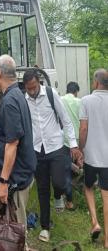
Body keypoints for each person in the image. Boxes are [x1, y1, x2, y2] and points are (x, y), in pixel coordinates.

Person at [23, 69, 81, 243]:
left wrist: (73, 144)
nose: (31, 92)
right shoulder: (25, 100)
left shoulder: (51, 94)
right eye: (28, 89)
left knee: (59, 182)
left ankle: (58, 196)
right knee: (42, 189)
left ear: (39, 82)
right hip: (37, 149)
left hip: (55, 146)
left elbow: (65, 120)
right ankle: (45, 227)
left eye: (33, 88)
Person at [0, 54, 36, 227]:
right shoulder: (17, 94)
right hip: (20, 171)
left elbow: (12, 144)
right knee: (15, 228)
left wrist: (3, 181)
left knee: (16, 231)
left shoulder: (10, 101)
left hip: (17, 176)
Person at [79, 69, 108, 246]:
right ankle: (107, 240)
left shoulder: (86, 100)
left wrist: (81, 148)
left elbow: (83, 129)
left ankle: (94, 222)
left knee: (88, 187)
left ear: (96, 83)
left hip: (91, 156)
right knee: (106, 197)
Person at [61, 81, 81, 210]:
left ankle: (68, 199)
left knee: (65, 170)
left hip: (63, 141)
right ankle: (69, 197)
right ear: (76, 92)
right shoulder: (79, 102)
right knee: (73, 167)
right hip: (76, 141)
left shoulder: (60, 100)